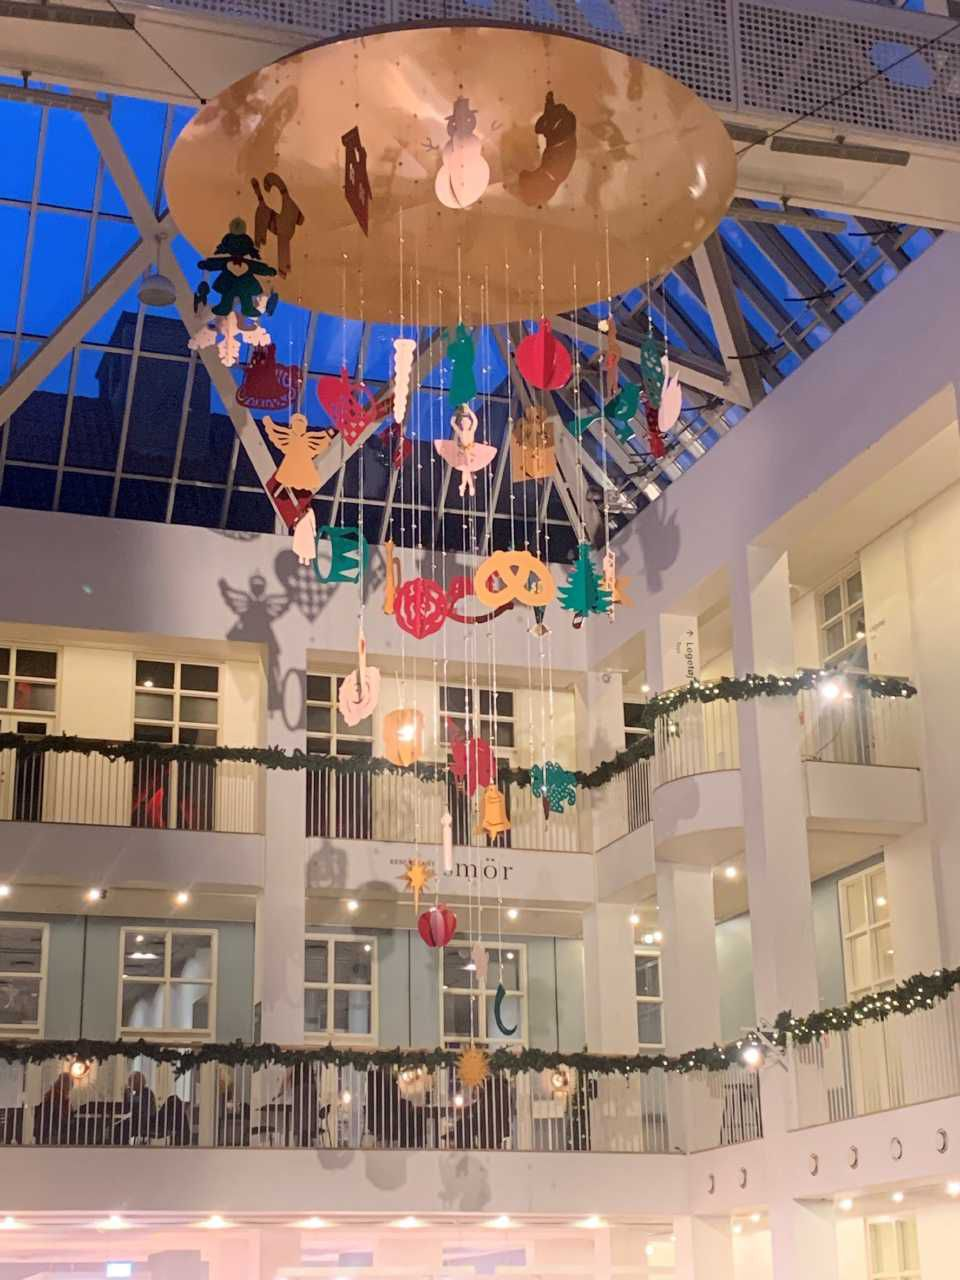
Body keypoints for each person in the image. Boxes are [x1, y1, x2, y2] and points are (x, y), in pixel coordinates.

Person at [115, 1070, 158, 1144]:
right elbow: (127, 1109)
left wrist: (127, 1093)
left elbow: (135, 1103)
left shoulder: (146, 1092)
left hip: (145, 1122)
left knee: (120, 1127)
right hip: (138, 1120)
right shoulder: (138, 1093)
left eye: (130, 1082)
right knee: (118, 1125)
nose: (129, 1084)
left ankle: (122, 1146)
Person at [34, 1072, 74, 1145]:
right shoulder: (57, 1098)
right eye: (70, 1085)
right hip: (51, 1135)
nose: (70, 1089)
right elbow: (60, 1118)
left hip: (47, 1133)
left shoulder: (53, 1096)